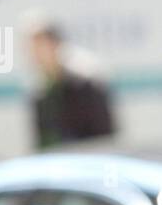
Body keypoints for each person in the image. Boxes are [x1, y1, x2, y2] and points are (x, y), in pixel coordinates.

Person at [28, 21, 115, 149]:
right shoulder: (39, 94)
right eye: (32, 48)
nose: (35, 54)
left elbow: (104, 136)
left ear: (55, 44)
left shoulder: (85, 85)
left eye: (40, 46)